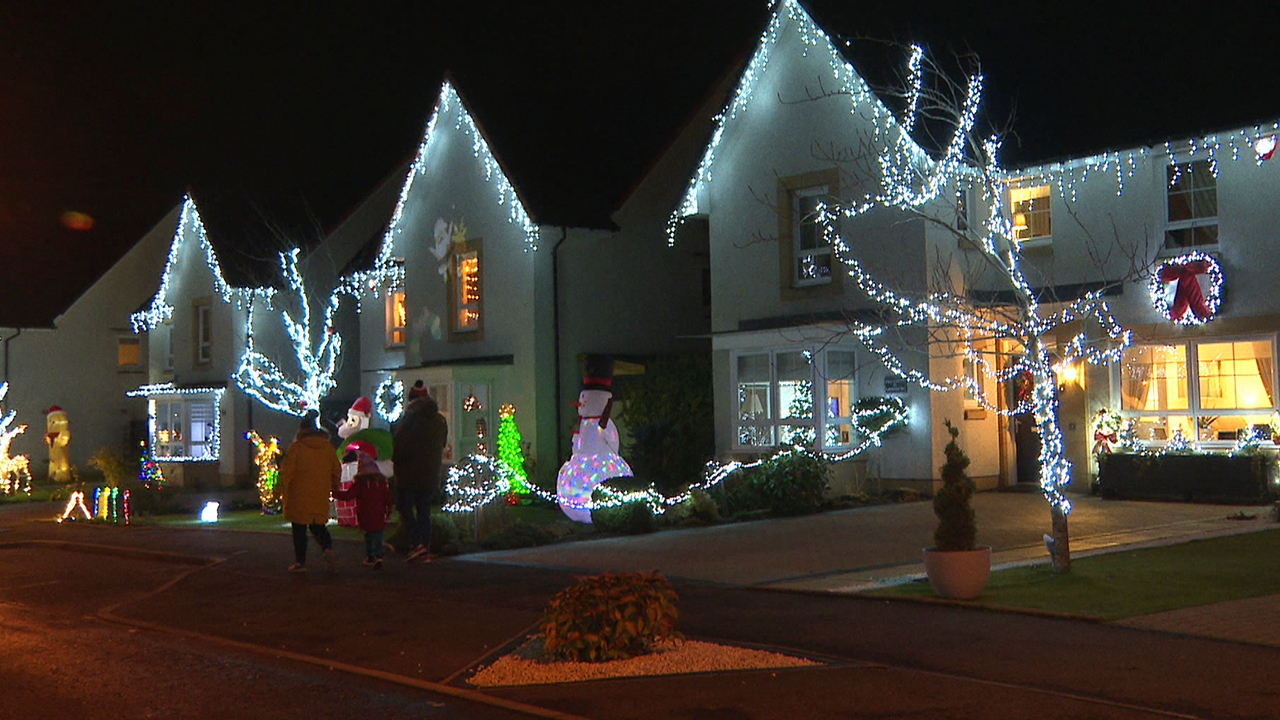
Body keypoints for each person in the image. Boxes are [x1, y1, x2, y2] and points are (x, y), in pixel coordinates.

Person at [278, 411, 341, 572]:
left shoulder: (297, 447)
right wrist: (334, 486)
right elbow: (336, 469)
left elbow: (287, 472)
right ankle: (327, 548)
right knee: (318, 526)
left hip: (298, 494)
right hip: (320, 492)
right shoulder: (327, 447)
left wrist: (281, 490)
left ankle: (300, 562)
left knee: (298, 528)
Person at [391, 381, 448, 562]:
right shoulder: (439, 421)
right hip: (430, 475)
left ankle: (417, 544)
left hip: (409, 475)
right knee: (424, 512)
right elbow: (443, 444)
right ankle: (424, 546)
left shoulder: (410, 421)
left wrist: (396, 462)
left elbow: (400, 446)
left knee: (405, 509)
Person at [333, 446, 393, 569]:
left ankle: (370, 555)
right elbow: (387, 499)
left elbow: (348, 495)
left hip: (365, 514)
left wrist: (334, 493)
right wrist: (388, 510)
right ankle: (379, 556)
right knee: (378, 535)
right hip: (379, 514)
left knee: (368, 535)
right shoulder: (380, 483)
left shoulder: (360, 484)